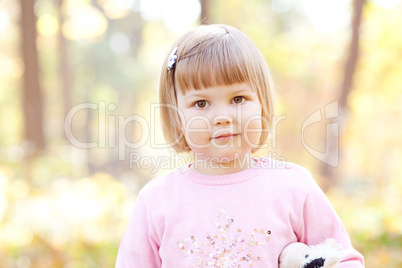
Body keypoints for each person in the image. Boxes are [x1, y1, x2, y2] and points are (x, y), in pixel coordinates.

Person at [115, 24, 364, 267]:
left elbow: (344, 259)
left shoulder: (294, 188)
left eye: (238, 98)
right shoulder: (157, 201)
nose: (222, 116)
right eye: (201, 104)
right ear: (176, 115)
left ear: (263, 105)